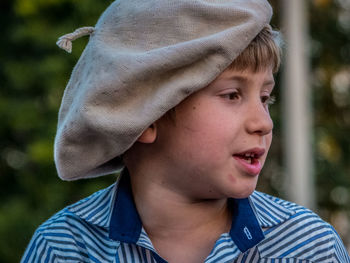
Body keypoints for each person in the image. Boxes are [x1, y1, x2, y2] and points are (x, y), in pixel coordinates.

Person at [21, 0, 350, 262]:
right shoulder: (64, 248)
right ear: (146, 115)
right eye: (232, 95)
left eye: (265, 97)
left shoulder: (307, 247)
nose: (263, 122)